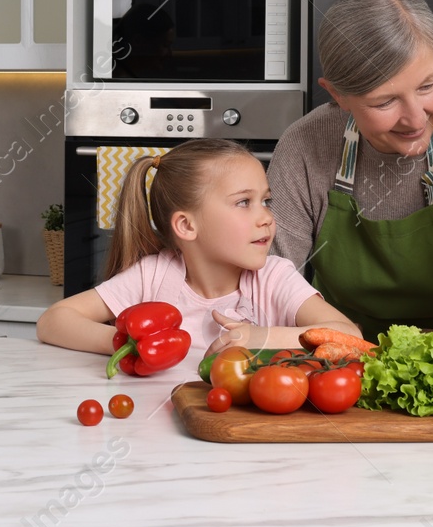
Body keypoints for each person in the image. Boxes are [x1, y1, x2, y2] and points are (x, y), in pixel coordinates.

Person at [268, 0, 433, 339]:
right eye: (384, 102)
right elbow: (271, 286)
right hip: (341, 359)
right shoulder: (304, 147)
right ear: (337, 94)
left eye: (427, 86)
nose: (416, 119)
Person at [37, 139, 361, 371]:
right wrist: (129, 343)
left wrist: (261, 337)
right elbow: (53, 321)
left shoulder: (274, 278)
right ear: (187, 225)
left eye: (266, 201)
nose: (266, 218)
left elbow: (350, 336)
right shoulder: (152, 275)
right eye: (244, 203)